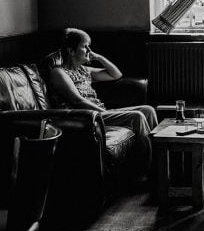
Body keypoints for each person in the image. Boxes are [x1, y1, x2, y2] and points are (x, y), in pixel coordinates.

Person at [47, 28, 157, 172]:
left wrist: (98, 57)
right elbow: (78, 101)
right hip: (87, 118)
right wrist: (103, 112)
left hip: (101, 112)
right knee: (137, 117)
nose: (89, 50)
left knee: (148, 110)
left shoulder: (84, 71)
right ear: (71, 51)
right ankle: (151, 170)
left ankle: (158, 160)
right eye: (85, 46)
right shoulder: (59, 73)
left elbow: (116, 74)